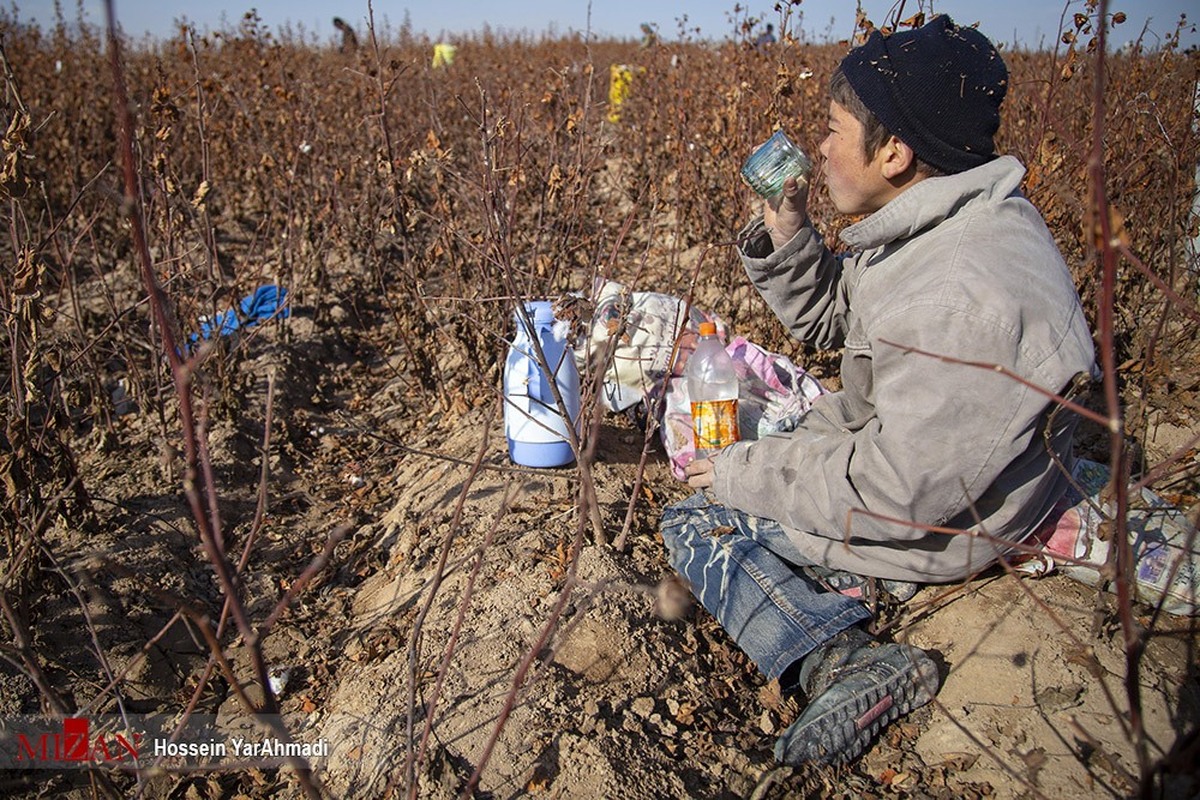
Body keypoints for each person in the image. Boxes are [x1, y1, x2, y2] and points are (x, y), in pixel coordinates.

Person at [660, 15, 1095, 767]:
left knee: (699, 521)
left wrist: (742, 476)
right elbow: (845, 321)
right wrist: (792, 233)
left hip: (947, 523)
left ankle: (840, 659)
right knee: (756, 460)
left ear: (893, 151)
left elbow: (897, 493)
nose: (820, 148)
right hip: (921, 468)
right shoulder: (935, 225)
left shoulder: (958, 291)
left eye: (834, 130)